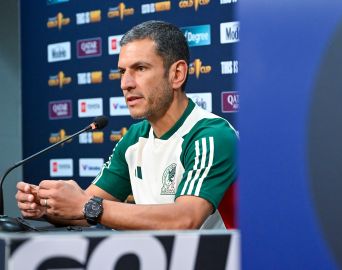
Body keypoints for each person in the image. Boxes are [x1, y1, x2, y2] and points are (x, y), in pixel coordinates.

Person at [15, 20, 238, 230]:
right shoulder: (135, 137)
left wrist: (86, 205)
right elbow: (85, 208)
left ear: (176, 74)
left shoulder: (211, 135)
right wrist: (50, 206)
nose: (125, 84)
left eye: (140, 68)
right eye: (123, 72)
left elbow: (185, 219)